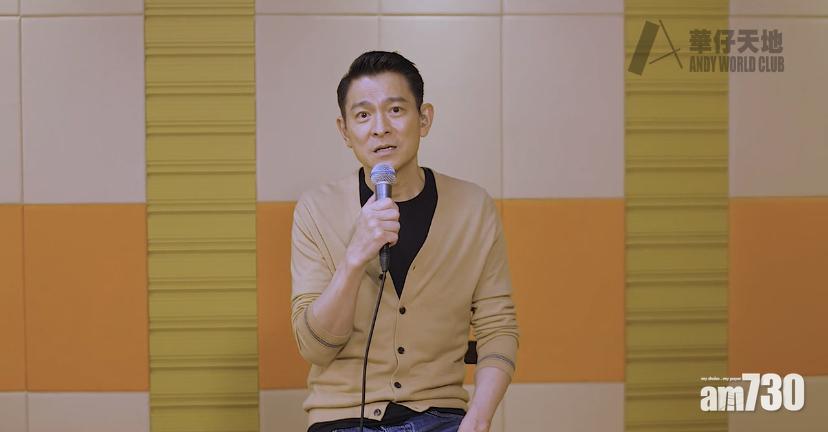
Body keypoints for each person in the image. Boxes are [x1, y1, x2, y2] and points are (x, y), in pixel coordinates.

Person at [290, 51, 519, 432]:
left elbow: (498, 327)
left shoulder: (473, 207)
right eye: (363, 115)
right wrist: (353, 258)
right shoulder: (316, 209)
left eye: (395, 110)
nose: (380, 128)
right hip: (343, 418)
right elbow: (315, 347)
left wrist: (478, 418)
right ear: (345, 131)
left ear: (424, 118)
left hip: (441, 416)